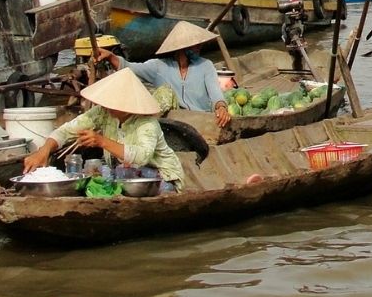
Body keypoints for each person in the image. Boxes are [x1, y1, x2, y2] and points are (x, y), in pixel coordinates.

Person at [22, 67, 186, 193]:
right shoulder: (103, 112)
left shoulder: (147, 123)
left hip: (161, 177)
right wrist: (44, 150)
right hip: (125, 174)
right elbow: (66, 131)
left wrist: (101, 141)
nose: (107, 106)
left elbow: (141, 156)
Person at [94, 21, 231, 127]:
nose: (199, 47)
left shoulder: (205, 65)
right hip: (173, 122)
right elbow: (130, 68)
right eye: (194, 45)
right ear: (182, 48)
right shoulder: (159, 66)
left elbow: (216, 94)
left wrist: (221, 107)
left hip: (201, 120)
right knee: (164, 93)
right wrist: (111, 57)